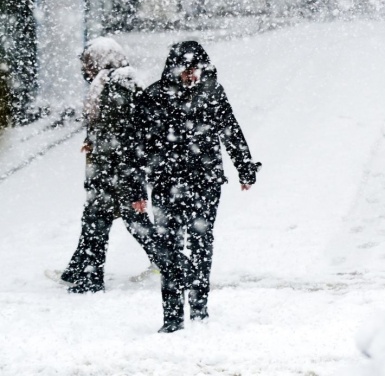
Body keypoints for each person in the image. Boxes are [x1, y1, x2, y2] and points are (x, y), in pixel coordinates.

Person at [132, 40, 260, 333]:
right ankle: (173, 316)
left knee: (202, 241)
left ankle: (200, 309)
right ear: (174, 69)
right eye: (186, 70)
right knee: (168, 245)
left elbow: (231, 129)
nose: (192, 76)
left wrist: (245, 167)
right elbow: (136, 146)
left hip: (206, 180)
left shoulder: (212, 92)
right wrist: (137, 189)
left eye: (196, 70)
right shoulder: (153, 96)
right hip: (166, 183)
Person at [60, 37, 163, 293]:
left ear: (102, 60)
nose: (85, 69)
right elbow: (109, 127)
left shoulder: (116, 86)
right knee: (101, 220)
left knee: (105, 220)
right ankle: (80, 272)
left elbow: (125, 133)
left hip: (116, 170)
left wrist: (128, 174)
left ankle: (90, 279)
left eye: (88, 62)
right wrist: (92, 140)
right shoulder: (109, 83)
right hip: (111, 168)